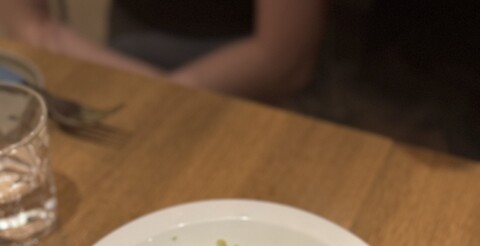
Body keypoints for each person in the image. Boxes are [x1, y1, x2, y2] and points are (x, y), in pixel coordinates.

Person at [0, 0, 328, 102]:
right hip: (124, 51)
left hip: (252, 75)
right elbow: (31, 27)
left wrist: (160, 97)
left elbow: (285, 62)